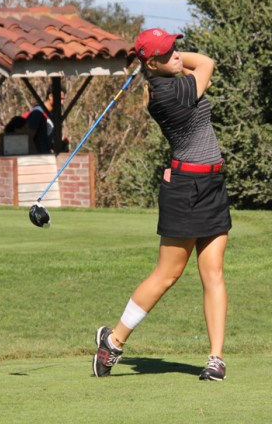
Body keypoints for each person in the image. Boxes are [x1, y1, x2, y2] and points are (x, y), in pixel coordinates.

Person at [92, 28, 231, 381]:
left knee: (213, 271)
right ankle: (114, 340)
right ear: (151, 62)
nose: (177, 54)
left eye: (176, 48)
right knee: (167, 275)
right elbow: (208, 63)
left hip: (213, 183)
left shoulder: (173, 79)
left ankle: (216, 358)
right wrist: (178, 65)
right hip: (185, 188)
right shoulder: (166, 94)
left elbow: (201, 74)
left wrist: (168, 62)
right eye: (168, 52)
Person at [24, 84, 67, 154]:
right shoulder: (37, 113)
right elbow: (27, 138)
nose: (62, 102)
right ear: (50, 96)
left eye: (63, 99)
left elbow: (44, 142)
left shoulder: (53, 116)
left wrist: (59, 146)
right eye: (60, 99)